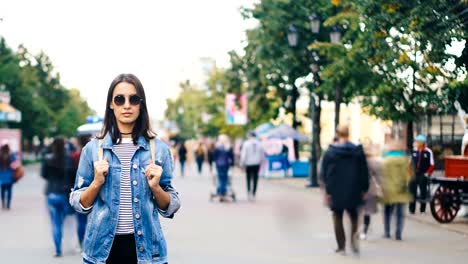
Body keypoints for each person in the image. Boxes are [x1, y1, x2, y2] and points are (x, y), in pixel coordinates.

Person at [69, 73, 180, 264]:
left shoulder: (158, 150)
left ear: (141, 104)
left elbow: (171, 205)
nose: (127, 105)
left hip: (147, 253)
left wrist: (156, 188)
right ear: (111, 104)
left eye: (133, 99)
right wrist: (96, 183)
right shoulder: (93, 149)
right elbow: (78, 202)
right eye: (120, 99)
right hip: (102, 253)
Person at [320, 125, 369, 255]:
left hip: (335, 189)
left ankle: (341, 246)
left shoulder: (330, 152)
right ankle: (353, 241)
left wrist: (328, 190)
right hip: (354, 188)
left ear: (337, 134)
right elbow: (364, 172)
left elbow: (324, 173)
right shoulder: (358, 151)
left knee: (337, 216)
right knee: (354, 216)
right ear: (348, 134)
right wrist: (364, 189)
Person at [41, 137, 76, 257]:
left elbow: (44, 175)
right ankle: (72, 244)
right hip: (64, 194)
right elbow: (74, 176)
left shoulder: (48, 159)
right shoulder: (69, 159)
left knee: (55, 223)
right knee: (66, 220)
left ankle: (58, 249)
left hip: (51, 193)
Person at [379, 139, 413, 241]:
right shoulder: (405, 160)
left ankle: (387, 232)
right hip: (401, 190)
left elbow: (381, 175)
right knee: (400, 213)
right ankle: (398, 233)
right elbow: (409, 175)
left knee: (387, 212)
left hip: (388, 189)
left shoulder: (385, 160)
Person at [69, 135, 92, 250]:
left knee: (81, 220)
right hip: (92, 190)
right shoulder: (94, 155)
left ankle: (81, 243)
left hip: (79, 189)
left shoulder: (74, 156)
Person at [360, 144, 381, 240]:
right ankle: (365, 229)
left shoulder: (357, 161)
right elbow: (378, 176)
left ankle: (364, 229)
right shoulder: (372, 162)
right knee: (367, 211)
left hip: (359, 189)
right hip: (369, 189)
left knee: (361, 211)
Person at [409, 134, 434, 214]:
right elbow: (410, 163)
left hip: (423, 174)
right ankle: (411, 209)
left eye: (418, 141)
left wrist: (427, 174)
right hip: (414, 174)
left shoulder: (428, 152)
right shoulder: (414, 151)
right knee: (412, 191)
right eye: (416, 141)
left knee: (423, 191)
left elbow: (432, 164)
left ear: (422, 143)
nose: (416, 143)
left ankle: (422, 210)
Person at [240, 131, 264, 202]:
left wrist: (242, 164)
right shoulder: (259, 143)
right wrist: (261, 162)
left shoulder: (246, 143)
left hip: (248, 163)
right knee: (255, 178)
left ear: (249, 136)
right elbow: (262, 154)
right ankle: (254, 193)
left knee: (248, 178)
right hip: (257, 163)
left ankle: (249, 192)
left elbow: (243, 155)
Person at [213, 134, 234, 202]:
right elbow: (231, 157)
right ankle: (222, 194)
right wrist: (232, 164)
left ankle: (220, 192)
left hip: (219, 165)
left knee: (220, 179)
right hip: (226, 165)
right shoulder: (228, 147)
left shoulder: (217, 147)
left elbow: (214, 157)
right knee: (224, 180)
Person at [0, 144, 17, 210]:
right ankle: (8, 205)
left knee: (2, 190)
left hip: (1, 175)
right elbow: (15, 163)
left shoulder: (0, 156)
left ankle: (3, 204)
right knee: (9, 190)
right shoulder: (11, 155)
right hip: (9, 175)